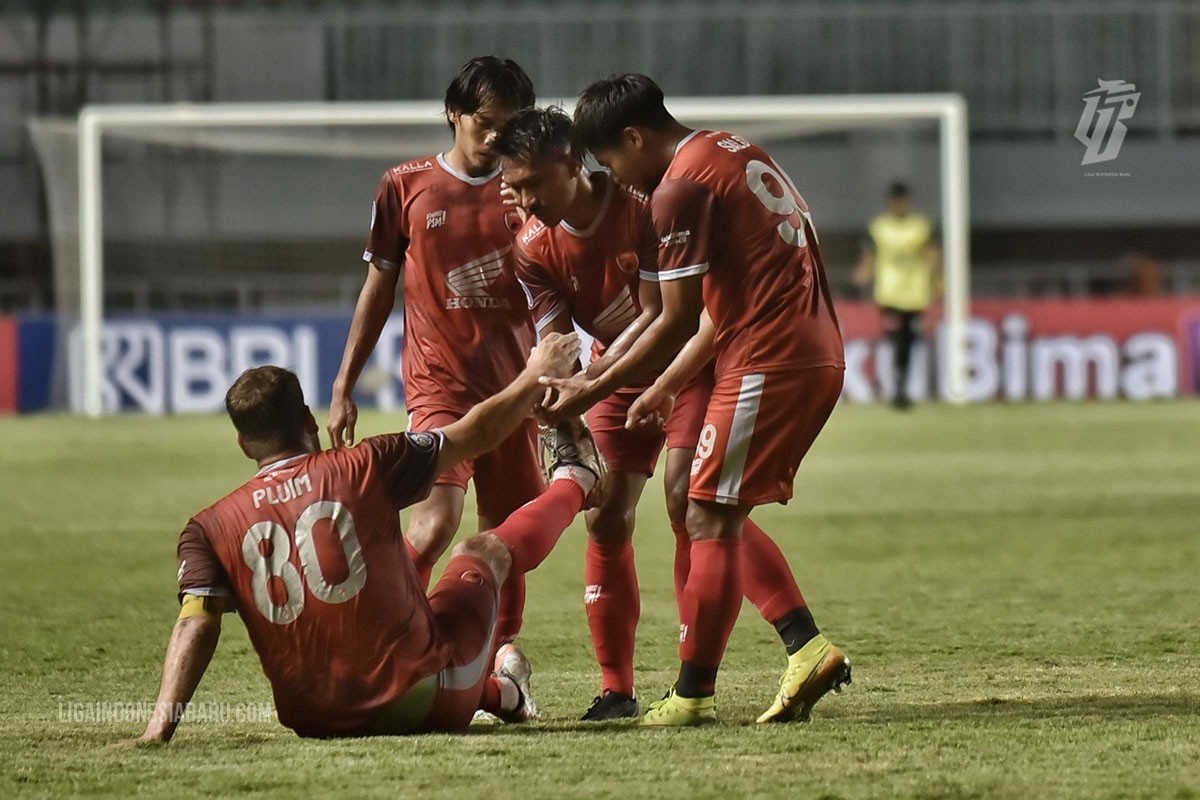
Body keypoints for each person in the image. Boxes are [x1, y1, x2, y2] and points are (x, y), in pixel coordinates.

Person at [494, 106, 841, 723]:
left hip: (688, 366)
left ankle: (708, 679)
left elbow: (679, 316)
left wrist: (614, 384)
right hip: (615, 372)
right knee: (606, 516)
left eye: (532, 184)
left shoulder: (646, 202)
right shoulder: (531, 249)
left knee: (691, 504)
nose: (523, 200)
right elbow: (557, 343)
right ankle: (618, 691)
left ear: (573, 162)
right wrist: (562, 395)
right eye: (513, 187)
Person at [135, 332, 610, 743]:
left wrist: (159, 728)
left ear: (243, 444)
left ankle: (506, 694)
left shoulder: (208, 527)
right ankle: (577, 479)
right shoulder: (364, 465)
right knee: (478, 551)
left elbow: (196, 624)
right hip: (422, 700)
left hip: (315, 719)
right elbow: (475, 433)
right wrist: (534, 375)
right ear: (309, 420)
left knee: (407, 617)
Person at [328, 56, 540, 645]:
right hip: (439, 387)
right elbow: (378, 288)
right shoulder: (404, 185)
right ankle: (381, 641)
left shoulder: (528, 189)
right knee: (434, 521)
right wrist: (345, 384)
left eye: (509, 125)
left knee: (503, 537)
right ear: (454, 113)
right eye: (485, 123)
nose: (495, 137)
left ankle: (499, 661)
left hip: (517, 389)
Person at [853, 181, 941, 409]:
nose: (899, 205)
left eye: (902, 201)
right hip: (889, 294)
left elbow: (933, 254)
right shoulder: (879, 227)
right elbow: (869, 256)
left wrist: (938, 280)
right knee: (897, 340)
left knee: (908, 341)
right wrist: (862, 274)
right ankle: (897, 387)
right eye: (895, 201)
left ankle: (901, 387)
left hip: (915, 294)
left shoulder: (921, 227)